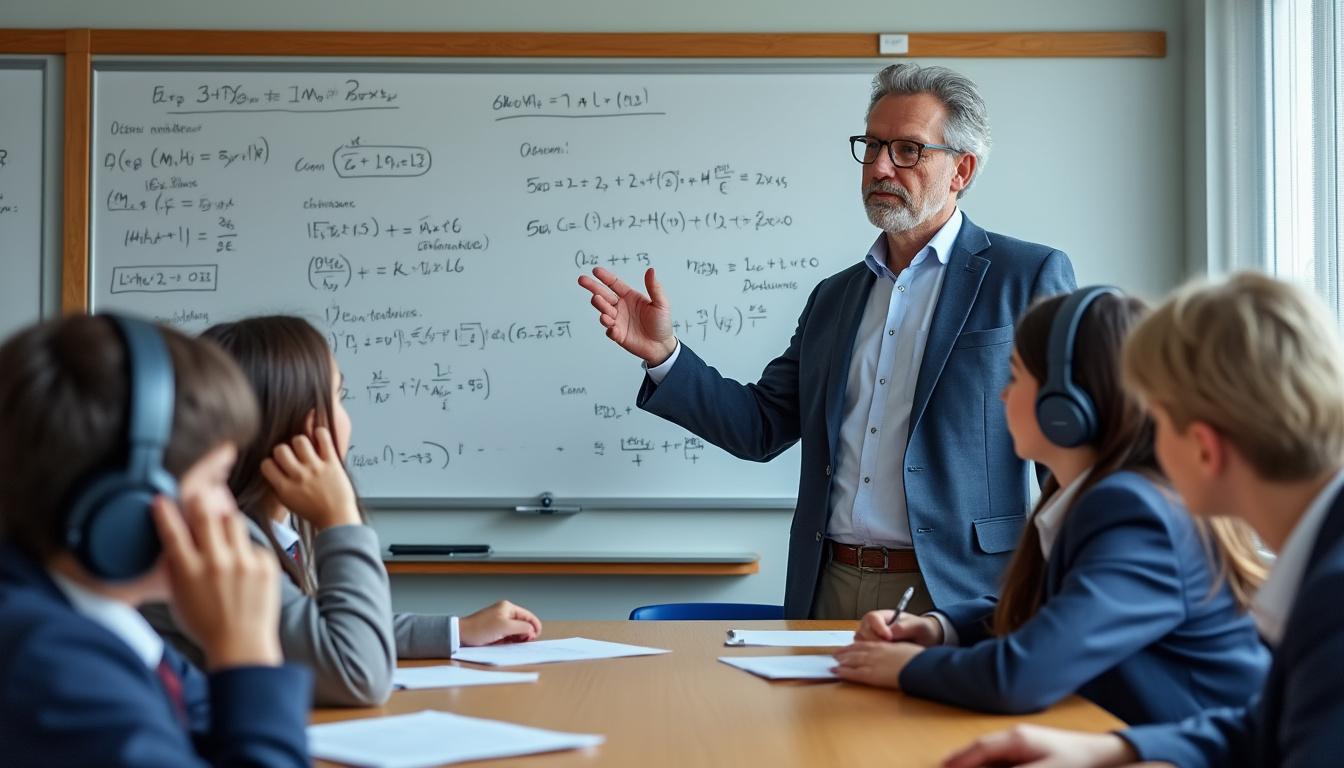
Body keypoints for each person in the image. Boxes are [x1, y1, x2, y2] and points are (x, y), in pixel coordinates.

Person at [578, 62, 1076, 618]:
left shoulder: (1025, 276)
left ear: (960, 170)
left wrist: (1066, 603)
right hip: (829, 584)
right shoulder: (835, 298)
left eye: (908, 150)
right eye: (873, 145)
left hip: (964, 592)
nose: (881, 165)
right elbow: (760, 427)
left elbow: (1067, 453)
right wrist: (665, 356)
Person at [941, 272, 1344, 768]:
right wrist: (1116, 749)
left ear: (1203, 448)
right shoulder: (1322, 559)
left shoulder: (1332, 596)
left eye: (1151, 413)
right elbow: (1265, 727)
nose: (1137, 428)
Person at [832, 289, 1269, 725]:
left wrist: (905, 668)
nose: (1002, 396)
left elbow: (1022, 676)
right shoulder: (1090, 495)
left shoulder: (1137, 513)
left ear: (1067, 406)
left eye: (1016, 377)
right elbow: (1053, 611)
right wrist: (938, 628)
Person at [142, 315, 541, 707]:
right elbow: (358, 673)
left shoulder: (257, 530)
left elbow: (312, 625)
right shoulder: (222, 545)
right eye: (339, 396)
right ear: (304, 424)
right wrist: (340, 519)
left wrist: (457, 631)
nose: (346, 416)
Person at [0, 314, 310, 767]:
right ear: (125, 503)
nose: (227, 508)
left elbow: (199, 722)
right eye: (217, 479)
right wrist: (244, 648)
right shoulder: (52, 667)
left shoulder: (94, 617)